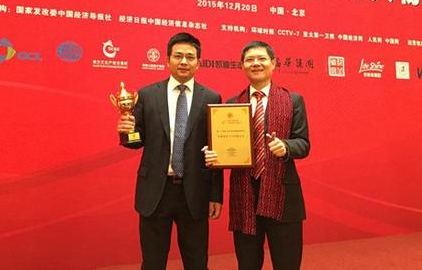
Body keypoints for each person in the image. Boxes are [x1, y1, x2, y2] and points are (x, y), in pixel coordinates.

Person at [117, 32, 223, 270]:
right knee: (153, 262)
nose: (184, 61)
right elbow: (136, 140)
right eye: (178, 56)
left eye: (190, 57)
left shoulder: (211, 97)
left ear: (198, 63)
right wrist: (126, 132)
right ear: (167, 60)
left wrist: (215, 195)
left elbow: (215, 149)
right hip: (156, 190)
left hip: (194, 191)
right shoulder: (147, 95)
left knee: (197, 262)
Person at [204, 40, 310, 270]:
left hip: (283, 196)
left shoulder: (293, 100)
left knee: (288, 263)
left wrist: (286, 147)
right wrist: (215, 154)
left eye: (262, 59)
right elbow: (224, 145)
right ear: (242, 65)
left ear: (273, 63)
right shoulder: (232, 105)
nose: (256, 63)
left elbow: (303, 144)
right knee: (248, 264)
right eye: (250, 59)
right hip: (245, 197)